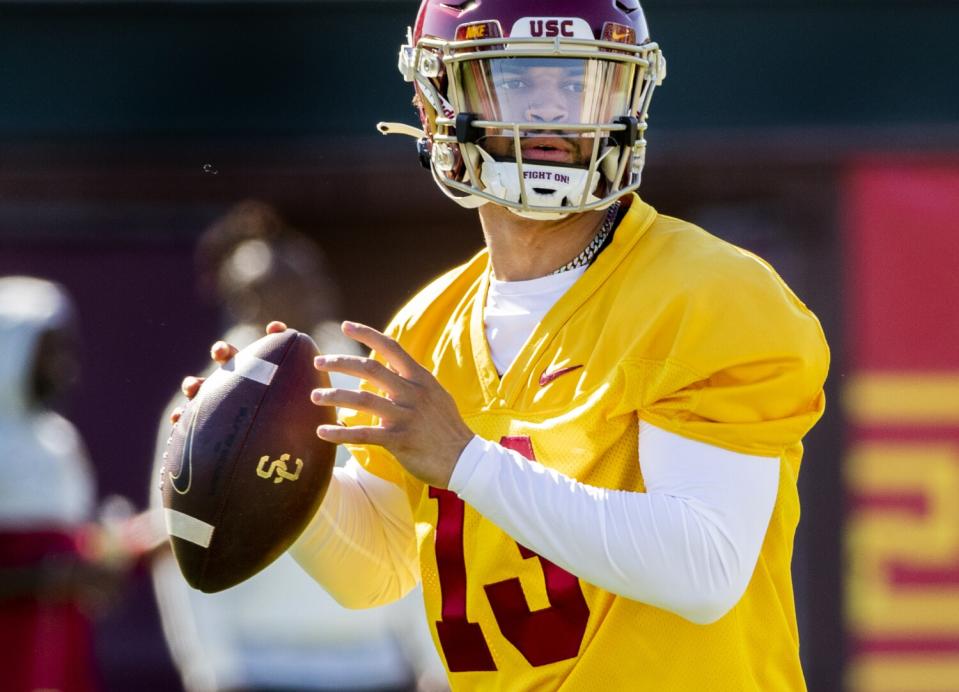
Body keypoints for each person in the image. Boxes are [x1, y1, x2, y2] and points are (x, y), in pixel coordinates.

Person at [178, 2, 829, 689]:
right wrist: (272, 465)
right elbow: (377, 568)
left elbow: (704, 568)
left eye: (576, 84)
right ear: (435, 102)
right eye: (518, 82)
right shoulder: (427, 324)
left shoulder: (710, 290)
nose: (551, 113)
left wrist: (464, 460)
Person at [154, 202, 446, 692]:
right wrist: (211, 669)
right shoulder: (201, 407)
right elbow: (181, 548)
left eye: (304, 281)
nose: (294, 300)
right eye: (270, 288)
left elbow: (416, 523)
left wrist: (433, 662)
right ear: (239, 300)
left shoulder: (374, 389)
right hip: (259, 672)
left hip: (377, 669)